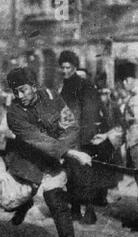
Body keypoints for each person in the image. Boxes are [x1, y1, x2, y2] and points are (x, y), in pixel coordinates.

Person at [4, 67, 92, 237]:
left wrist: (65, 149)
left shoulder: (52, 96)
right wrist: (70, 153)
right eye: (15, 92)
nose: (19, 96)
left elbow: (71, 126)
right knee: (11, 199)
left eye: (23, 90)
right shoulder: (14, 113)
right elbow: (37, 140)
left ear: (34, 86)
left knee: (55, 199)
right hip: (29, 160)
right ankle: (25, 202)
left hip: (54, 158)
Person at [59, 50, 105, 224]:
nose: (64, 70)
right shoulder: (64, 86)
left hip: (83, 137)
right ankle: (75, 209)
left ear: (74, 67)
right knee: (71, 175)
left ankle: (90, 211)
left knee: (85, 175)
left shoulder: (85, 85)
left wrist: (86, 135)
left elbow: (91, 111)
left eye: (68, 67)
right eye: (62, 67)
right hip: (69, 137)